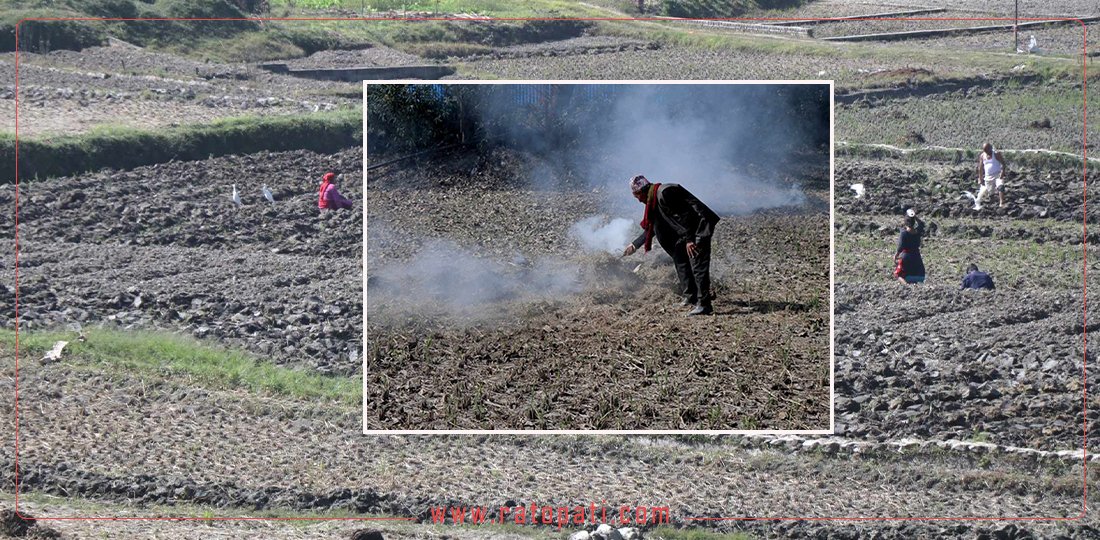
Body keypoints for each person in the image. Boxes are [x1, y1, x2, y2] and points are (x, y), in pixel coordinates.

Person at [621, 174, 721, 316]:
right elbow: (652, 228)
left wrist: (689, 240)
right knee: (681, 260)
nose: (637, 200)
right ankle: (690, 297)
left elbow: (686, 215)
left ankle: (704, 305)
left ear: (642, 191)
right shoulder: (653, 201)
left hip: (699, 228)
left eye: (636, 195)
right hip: (688, 233)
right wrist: (634, 245)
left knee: (698, 265)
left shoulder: (665, 192)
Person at [893, 215, 925, 284]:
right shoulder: (918, 232)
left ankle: (907, 286)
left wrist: (896, 255)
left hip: (906, 257)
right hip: (916, 256)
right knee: (917, 275)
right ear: (914, 222)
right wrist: (914, 216)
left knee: (898, 274)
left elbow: (900, 247)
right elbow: (922, 224)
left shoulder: (904, 233)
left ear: (905, 222)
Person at [976, 142, 1007, 208]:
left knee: (1000, 186)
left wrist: (1002, 172)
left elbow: (1003, 164)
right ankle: (993, 205)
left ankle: (1002, 202)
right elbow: (980, 168)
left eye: (988, 150)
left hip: (997, 174)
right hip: (988, 176)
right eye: (985, 150)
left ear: (990, 148)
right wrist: (980, 178)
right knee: (990, 193)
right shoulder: (982, 156)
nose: (987, 152)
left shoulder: (996, 154)